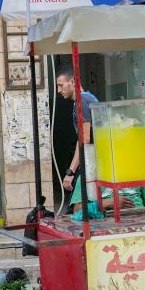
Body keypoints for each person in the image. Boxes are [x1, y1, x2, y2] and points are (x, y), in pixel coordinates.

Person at [54, 67, 99, 213]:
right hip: (93, 160)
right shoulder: (88, 98)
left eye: (61, 85)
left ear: (72, 81)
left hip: (92, 162)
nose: (59, 90)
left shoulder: (82, 101)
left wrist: (70, 171)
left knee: (77, 209)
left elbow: (84, 139)